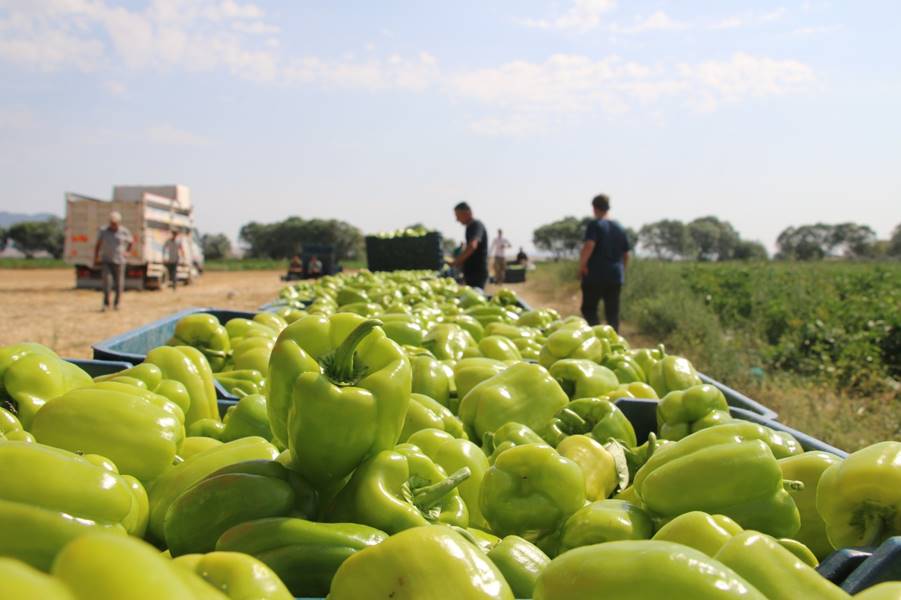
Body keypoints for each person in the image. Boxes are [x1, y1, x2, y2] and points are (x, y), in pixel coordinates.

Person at [579, 194, 631, 332]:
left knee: (588, 309)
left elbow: (589, 245)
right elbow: (626, 254)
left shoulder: (595, 225)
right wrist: (622, 271)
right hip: (615, 275)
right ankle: (614, 340)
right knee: (612, 312)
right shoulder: (619, 227)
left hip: (595, 274)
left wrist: (582, 265)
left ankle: (597, 336)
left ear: (594, 208)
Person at [93, 211, 133, 311]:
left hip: (120, 261)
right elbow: (98, 245)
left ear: (119, 222)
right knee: (107, 282)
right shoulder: (103, 231)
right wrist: (96, 257)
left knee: (119, 284)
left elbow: (131, 242)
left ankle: (117, 304)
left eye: (115, 223)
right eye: (111, 222)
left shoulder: (124, 232)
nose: (113, 224)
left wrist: (127, 252)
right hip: (106, 260)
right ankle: (106, 304)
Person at [452, 202, 489, 289]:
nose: (457, 219)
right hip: (472, 273)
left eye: (458, 216)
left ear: (467, 213)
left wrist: (457, 261)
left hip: (477, 273)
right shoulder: (470, 227)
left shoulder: (476, 225)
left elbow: (472, 246)